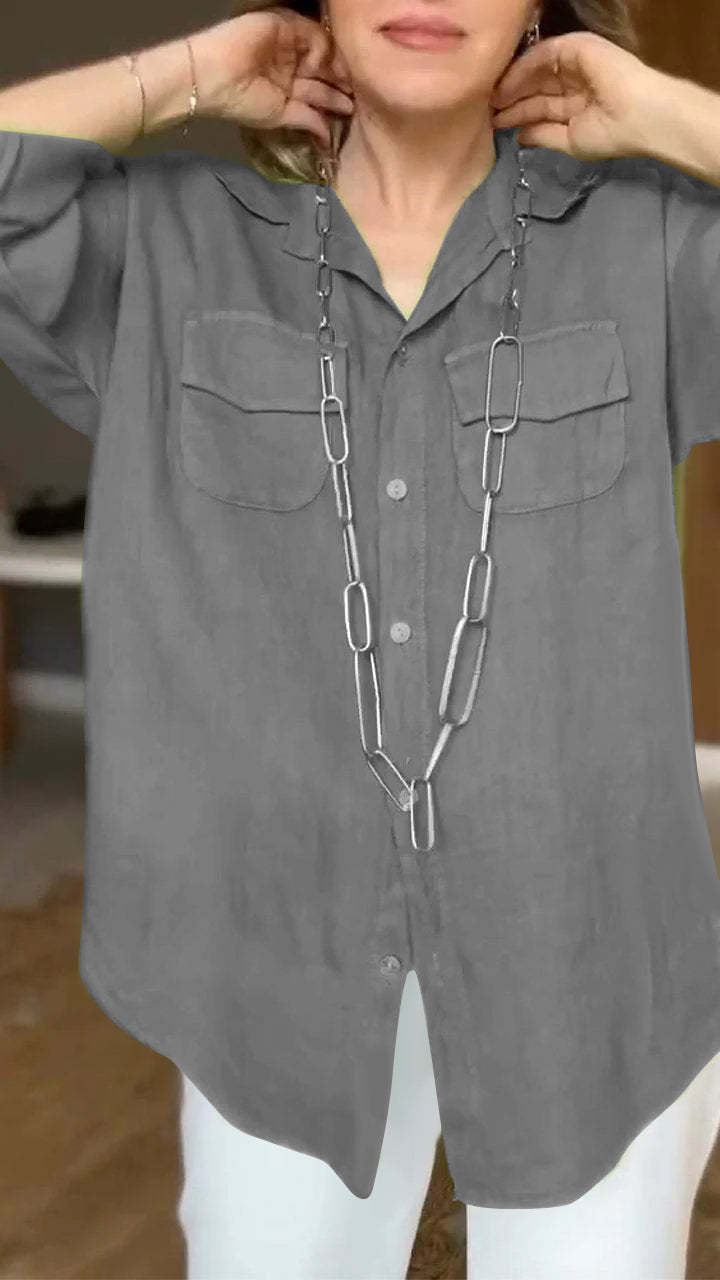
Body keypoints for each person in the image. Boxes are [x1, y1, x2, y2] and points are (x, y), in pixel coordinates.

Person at [2, 2, 720, 1277]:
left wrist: (662, 112)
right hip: (274, 970)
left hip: (592, 969)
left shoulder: (647, 246)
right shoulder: (168, 248)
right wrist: (188, 75)